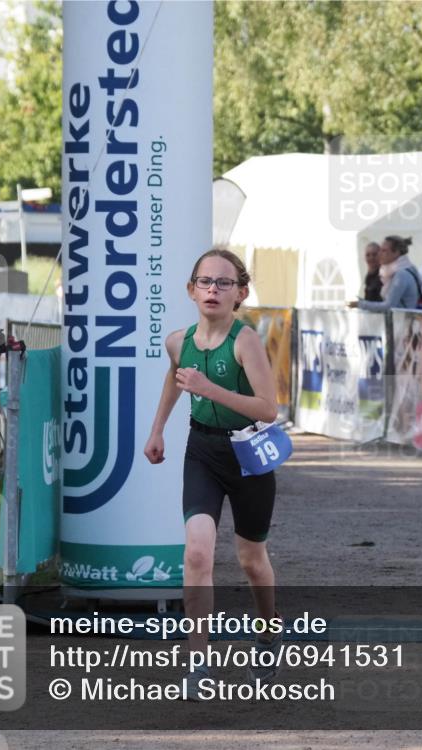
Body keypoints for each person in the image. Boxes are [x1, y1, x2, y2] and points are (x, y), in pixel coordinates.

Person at [143, 248, 281, 701]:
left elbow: (268, 409)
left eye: (224, 283)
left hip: (248, 455)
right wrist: (158, 428)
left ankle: (267, 638)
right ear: (190, 289)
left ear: (240, 293)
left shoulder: (246, 342)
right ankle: (198, 662)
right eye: (205, 281)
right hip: (201, 450)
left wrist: (209, 389)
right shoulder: (178, 340)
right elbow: (174, 376)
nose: (213, 290)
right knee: (197, 554)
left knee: (251, 561)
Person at [351, 236, 422, 311]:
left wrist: (359, 304)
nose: (379, 254)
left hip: (403, 321)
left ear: (396, 253)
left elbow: (389, 305)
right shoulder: (400, 270)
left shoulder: (401, 274)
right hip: (400, 320)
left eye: (384, 251)